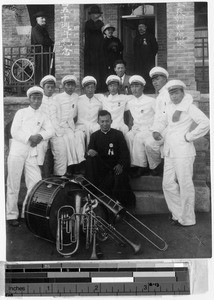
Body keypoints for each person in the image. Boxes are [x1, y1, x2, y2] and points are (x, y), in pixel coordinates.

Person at [152, 80, 209, 226]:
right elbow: (162, 120)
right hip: (170, 151)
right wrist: (157, 131)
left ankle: (188, 219)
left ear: (183, 93)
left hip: (183, 152)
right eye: (171, 93)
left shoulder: (189, 107)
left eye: (177, 93)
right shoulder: (169, 107)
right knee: (167, 184)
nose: (174, 96)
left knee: (185, 184)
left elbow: (206, 123)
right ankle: (178, 214)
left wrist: (189, 137)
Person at [6, 86, 54, 226]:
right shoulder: (21, 113)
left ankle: (25, 212)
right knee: (13, 183)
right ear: (29, 99)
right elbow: (14, 132)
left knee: (35, 182)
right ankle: (11, 215)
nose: (37, 101)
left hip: (32, 153)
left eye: (39, 98)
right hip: (18, 151)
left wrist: (40, 136)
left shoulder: (43, 115)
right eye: (34, 98)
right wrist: (30, 138)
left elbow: (51, 130)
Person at [85, 110, 135, 207]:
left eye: (107, 121)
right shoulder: (94, 136)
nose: (105, 124)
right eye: (102, 121)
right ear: (98, 122)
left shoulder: (118, 134)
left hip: (115, 167)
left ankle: (119, 205)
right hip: (101, 167)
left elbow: (124, 153)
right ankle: (91, 191)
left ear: (111, 121)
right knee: (90, 159)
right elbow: (90, 150)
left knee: (120, 179)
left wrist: (120, 164)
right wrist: (90, 152)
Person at [125, 75, 159, 178]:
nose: (134, 89)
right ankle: (133, 164)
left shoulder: (151, 100)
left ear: (143, 87)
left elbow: (159, 115)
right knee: (128, 136)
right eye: (132, 87)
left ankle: (143, 166)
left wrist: (156, 128)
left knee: (139, 137)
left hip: (148, 128)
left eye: (137, 86)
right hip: (136, 128)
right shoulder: (130, 102)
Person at [51, 75, 86, 176]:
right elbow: (54, 115)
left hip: (70, 125)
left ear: (75, 87)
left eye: (72, 85)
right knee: (67, 139)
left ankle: (78, 164)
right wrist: (58, 128)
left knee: (76, 137)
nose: (70, 87)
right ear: (63, 86)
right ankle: (70, 167)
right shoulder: (57, 98)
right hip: (60, 125)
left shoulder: (76, 97)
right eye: (68, 85)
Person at [76, 76, 103, 147]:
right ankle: (81, 157)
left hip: (94, 125)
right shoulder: (78, 100)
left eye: (92, 87)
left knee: (98, 131)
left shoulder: (99, 101)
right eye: (88, 87)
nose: (90, 90)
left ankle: (95, 154)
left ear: (95, 88)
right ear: (84, 89)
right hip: (81, 125)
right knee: (79, 135)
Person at [84, 5, 105, 92]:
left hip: (99, 49)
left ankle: (99, 87)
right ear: (91, 15)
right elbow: (93, 28)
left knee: (99, 68)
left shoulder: (100, 23)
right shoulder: (88, 23)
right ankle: (90, 87)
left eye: (98, 14)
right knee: (90, 69)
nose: (97, 15)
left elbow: (100, 29)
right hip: (90, 50)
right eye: (95, 14)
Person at [133, 20, 158, 93]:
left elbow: (155, 48)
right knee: (140, 75)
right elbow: (134, 50)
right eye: (139, 27)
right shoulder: (136, 38)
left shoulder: (151, 37)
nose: (140, 28)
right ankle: (141, 90)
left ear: (145, 27)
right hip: (139, 61)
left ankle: (149, 90)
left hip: (148, 61)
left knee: (148, 74)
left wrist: (150, 56)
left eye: (142, 27)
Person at [39, 74, 57, 177]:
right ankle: (45, 177)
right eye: (48, 87)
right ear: (43, 88)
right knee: (44, 150)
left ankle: (57, 177)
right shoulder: (39, 100)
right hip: (43, 131)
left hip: (55, 131)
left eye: (52, 87)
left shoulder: (56, 100)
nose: (50, 89)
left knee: (60, 152)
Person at [31, 11, 54, 84]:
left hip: (45, 53)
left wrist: (52, 43)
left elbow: (49, 40)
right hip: (40, 53)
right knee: (41, 70)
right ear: (37, 19)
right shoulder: (36, 29)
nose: (44, 20)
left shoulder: (44, 30)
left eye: (45, 18)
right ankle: (40, 84)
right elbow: (42, 40)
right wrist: (50, 43)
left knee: (47, 69)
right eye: (42, 18)